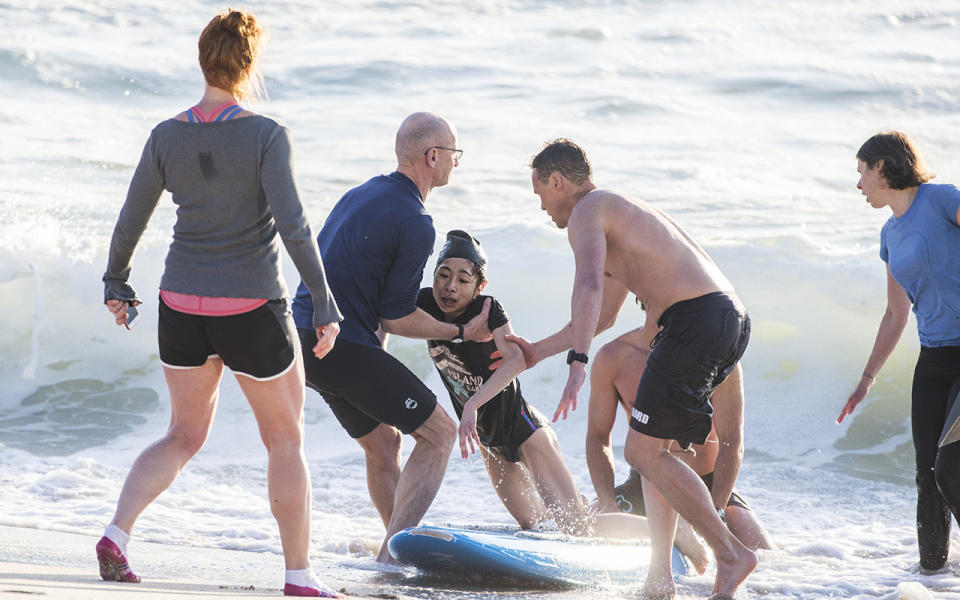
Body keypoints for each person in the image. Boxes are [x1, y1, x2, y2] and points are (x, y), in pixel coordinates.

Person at [99, 9, 342, 598]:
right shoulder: (265, 134)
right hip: (250, 309)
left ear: (202, 59)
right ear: (249, 64)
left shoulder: (166, 134)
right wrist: (327, 304)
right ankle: (299, 577)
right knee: (285, 441)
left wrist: (116, 281)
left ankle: (116, 533)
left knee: (182, 434)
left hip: (180, 306)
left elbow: (133, 216)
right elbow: (294, 226)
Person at [506, 139, 757, 600]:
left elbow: (584, 284)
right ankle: (659, 579)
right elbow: (601, 316)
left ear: (557, 181)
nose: (541, 206)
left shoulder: (587, 212)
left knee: (642, 453)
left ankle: (730, 552)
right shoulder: (617, 219)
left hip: (694, 320)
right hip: (724, 319)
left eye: (539, 191)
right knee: (656, 453)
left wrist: (578, 363)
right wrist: (538, 351)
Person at [415, 230, 707, 562]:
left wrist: (471, 404)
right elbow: (392, 318)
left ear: (479, 286)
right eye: (443, 274)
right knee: (535, 525)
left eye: (463, 279)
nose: (450, 286)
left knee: (579, 528)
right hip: (490, 441)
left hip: (525, 431)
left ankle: (672, 530)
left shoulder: (488, 309)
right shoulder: (424, 305)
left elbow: (515, 360)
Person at [292, 113, 492, 564]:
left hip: (302, 338)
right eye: (453, 154)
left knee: (384, 443)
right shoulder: (416, 220)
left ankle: (393, 547)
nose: (456, 164)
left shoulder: (361, 193)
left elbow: (346, 278)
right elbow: (397, 315)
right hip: (341, 345)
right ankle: (391, 559)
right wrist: (460, 330)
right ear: (432, 156)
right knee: (439, 435)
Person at [837, 131, 960, 574]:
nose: (858, 186)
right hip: (934, 361)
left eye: (861, 173)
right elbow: (895, 314)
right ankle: (931, 578)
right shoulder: (890, 233)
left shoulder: (943, 199)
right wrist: (866, 380)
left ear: (882, 167)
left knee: (951, 467)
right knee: (927, 477)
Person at [588, 328, 774, 554]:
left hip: (709, 488)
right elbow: (598, 437)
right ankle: (671, 532)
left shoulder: (719, 357)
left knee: (764, 557)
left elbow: (732, 442)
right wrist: (608, 502)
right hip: (645, 485)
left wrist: (716, 510)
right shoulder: (615, 357)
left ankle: (681, 532)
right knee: (584, 526)